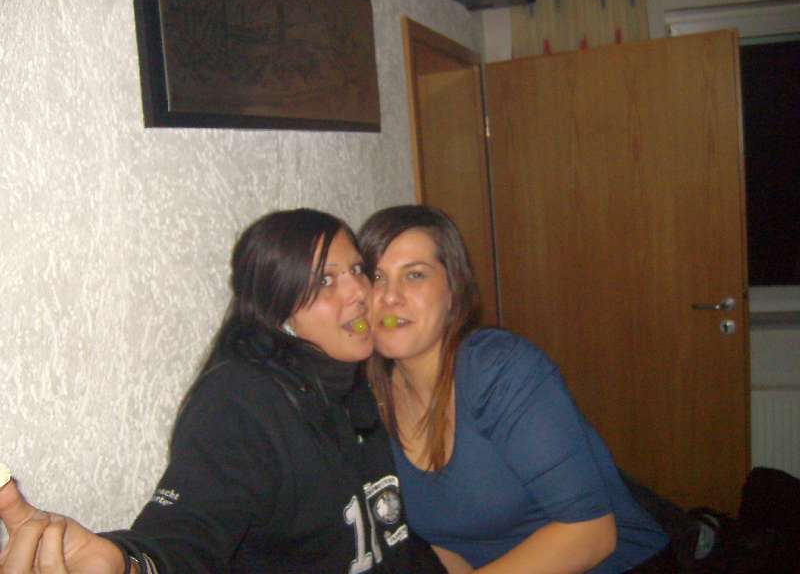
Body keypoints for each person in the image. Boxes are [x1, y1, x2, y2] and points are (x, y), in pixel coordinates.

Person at [0, 208, 446, 573]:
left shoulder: (350, 378)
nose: (360, 292)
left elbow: (389, 538)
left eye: (357, 269)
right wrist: (128, 563)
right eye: (324, 281)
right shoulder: (240, 402)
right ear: (277, 310)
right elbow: (187, 532)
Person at [357, 205, 669, 574]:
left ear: (453, 292)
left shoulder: (499, 369)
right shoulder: (368, 401)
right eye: (376, 276)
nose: (390, 296)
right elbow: (440, 547)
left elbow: (591, 534)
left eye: (414, 275)